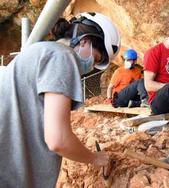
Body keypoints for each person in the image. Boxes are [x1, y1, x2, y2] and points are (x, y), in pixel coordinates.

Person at [0, 12, 120, 187]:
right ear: (85, 40)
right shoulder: (62, 56)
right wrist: (94, 158)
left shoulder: (39, 51)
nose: (91, 67)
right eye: (95, 59)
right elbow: (58, 140)